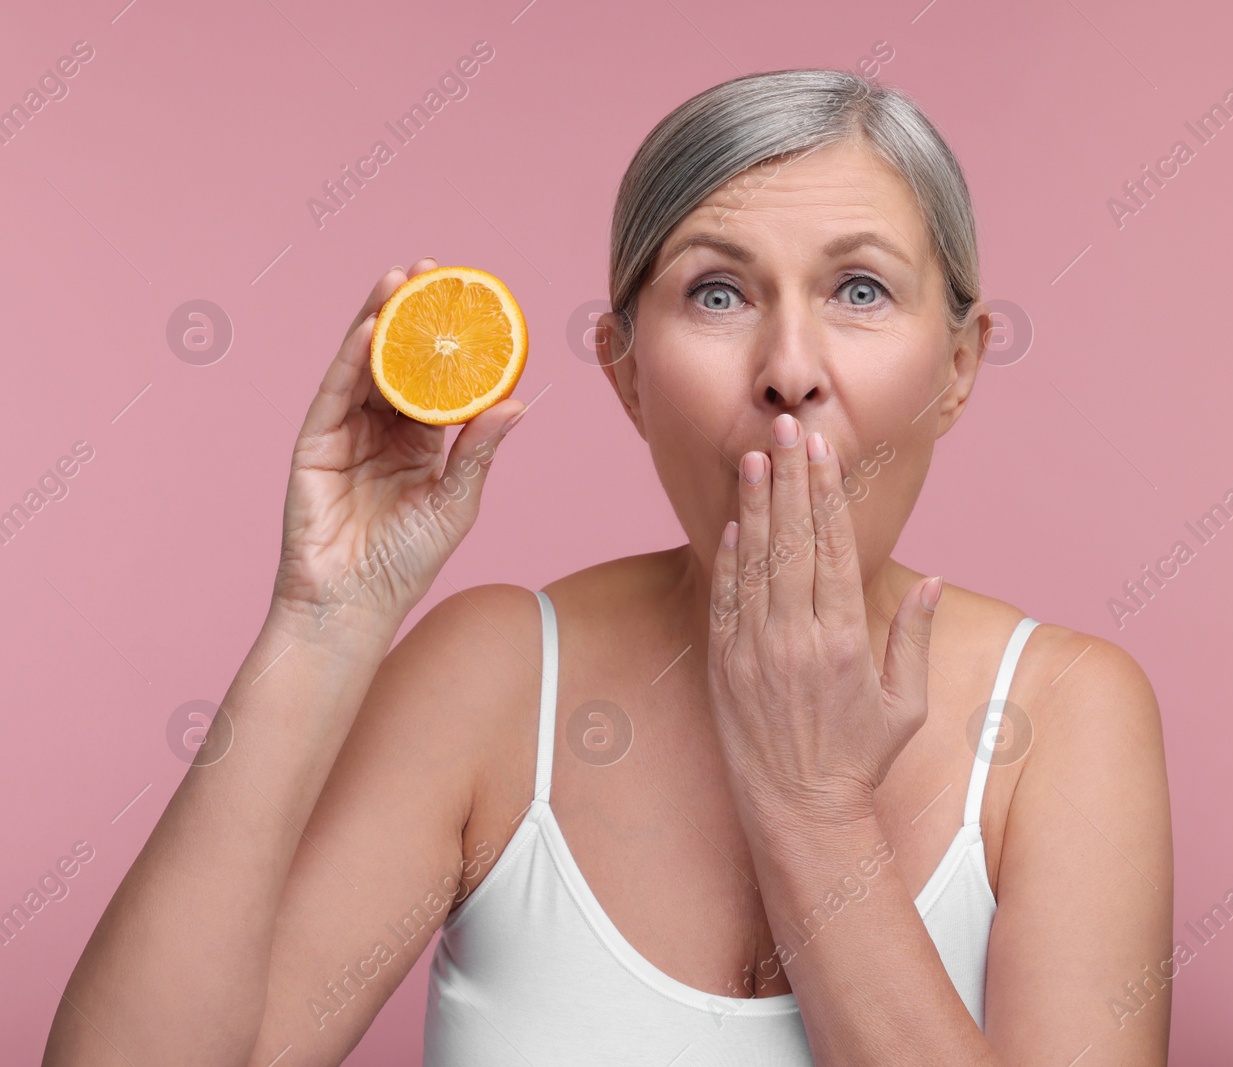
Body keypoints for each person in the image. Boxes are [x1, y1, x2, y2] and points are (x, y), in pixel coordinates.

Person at [45, 67, 1172, 1066]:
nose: (788, 369)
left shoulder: (1066, 715)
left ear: (961, 366)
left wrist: (811, 807)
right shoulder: (491, 677)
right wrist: (323, 620)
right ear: (625, 372)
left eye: (860, 289)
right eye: (717, 293)